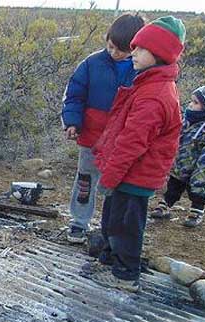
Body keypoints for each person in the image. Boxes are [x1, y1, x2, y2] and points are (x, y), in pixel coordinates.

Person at [88, 16, 186, 292]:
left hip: (135, 175)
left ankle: (125, 275)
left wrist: (110, 176)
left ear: (159, 54)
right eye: (135, 47)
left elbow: (132, 143)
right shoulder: (148, 84)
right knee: (114, 218)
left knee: (126, 226)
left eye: (141, 49)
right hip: (128, 173)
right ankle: (110, 259)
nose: (134, 53)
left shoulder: (154, 95)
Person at [61, 13, 145, 244]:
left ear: (136, 47)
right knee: (85, 181)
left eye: (122, 50)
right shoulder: (91, 63)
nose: (114, 53)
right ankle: (79, 222)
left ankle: (110, 229)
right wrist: (72, 122)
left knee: (117, 185)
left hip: (122, 141)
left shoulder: (142, 70)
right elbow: (74, 95)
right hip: (91, 136)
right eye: (111, 46)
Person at [150, 82, 205, 227]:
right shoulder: (189, 120)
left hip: (201, 167)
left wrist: (201, 175)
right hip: (181, 163)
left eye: (195, 103)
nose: (190, 105)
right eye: (191, 101)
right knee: (174, 184)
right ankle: (166, 204)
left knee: (197, 189)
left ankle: (197, 210)